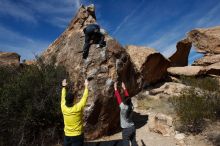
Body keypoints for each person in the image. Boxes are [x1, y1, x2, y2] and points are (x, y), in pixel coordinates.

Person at [61, 79, 89, 146]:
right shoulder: (78, 108)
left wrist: (64, 87)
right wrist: (86, 86)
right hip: (77, 136)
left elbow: (62, 97)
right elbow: (84, 98)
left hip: (67, 135)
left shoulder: (63, 107)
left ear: (66, 100)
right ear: (73, 100)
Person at [114, 81, 138, 146]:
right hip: (133, 128)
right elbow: (128, 98)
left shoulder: (123, 107)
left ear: (124, 101)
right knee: (134, 143)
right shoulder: (131, 106)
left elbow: (118, 98)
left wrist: (115, 88)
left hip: (126, 130)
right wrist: (124, 88)